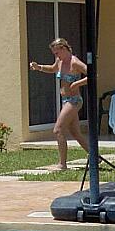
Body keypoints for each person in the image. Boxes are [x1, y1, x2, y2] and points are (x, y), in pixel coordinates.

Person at [29, 37, 89, 170]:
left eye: (57, 53)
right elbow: (52, 69)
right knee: (75, 132)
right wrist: (39, 67)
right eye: (54, 54)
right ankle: (95, 157)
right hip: (65, 100)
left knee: (58, 129)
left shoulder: (75, 62)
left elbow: (92, 75)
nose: (56, 56)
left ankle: (62, 164)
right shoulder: (60, 61)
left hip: (74, 101)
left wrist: (77, 83)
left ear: (64, 48)